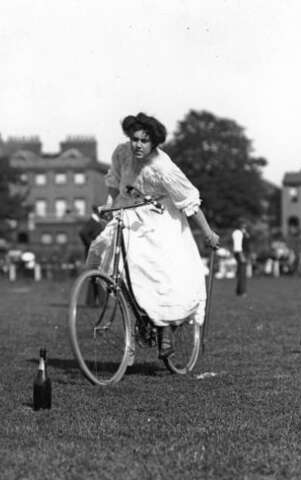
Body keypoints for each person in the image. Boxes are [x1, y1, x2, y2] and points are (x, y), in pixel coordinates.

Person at [86, 112, 220, 359]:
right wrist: (109, 204)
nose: (137, 145)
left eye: (143, 141)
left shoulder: (164, 168)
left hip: (160, 220)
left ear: (154, 143)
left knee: (157, 273)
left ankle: (165, 328)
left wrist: (208, 232)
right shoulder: (122, 153)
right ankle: (135, 319)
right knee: (114, 264)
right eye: (134, 139)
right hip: (127, 213)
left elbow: (190, 202)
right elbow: (114, 182)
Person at [79, 206, 105, 306]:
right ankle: (101, 302)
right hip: (94, 255)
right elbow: (82, 233)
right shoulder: (92, 222)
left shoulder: (97, 222)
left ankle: (91, 302)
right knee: (98, 278)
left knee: (94, 278)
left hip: (96, 254)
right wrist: (92, 245)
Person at [231, 220, 249, 296]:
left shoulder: (242, 233)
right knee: (242, 273)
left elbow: (247, 237)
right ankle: (242, 291)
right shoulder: (237, 233)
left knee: (242, 272)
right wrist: (241, 256)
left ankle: (239, 290)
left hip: (241, 253)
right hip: (240, 253)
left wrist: (245, 233)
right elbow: (237, 246)